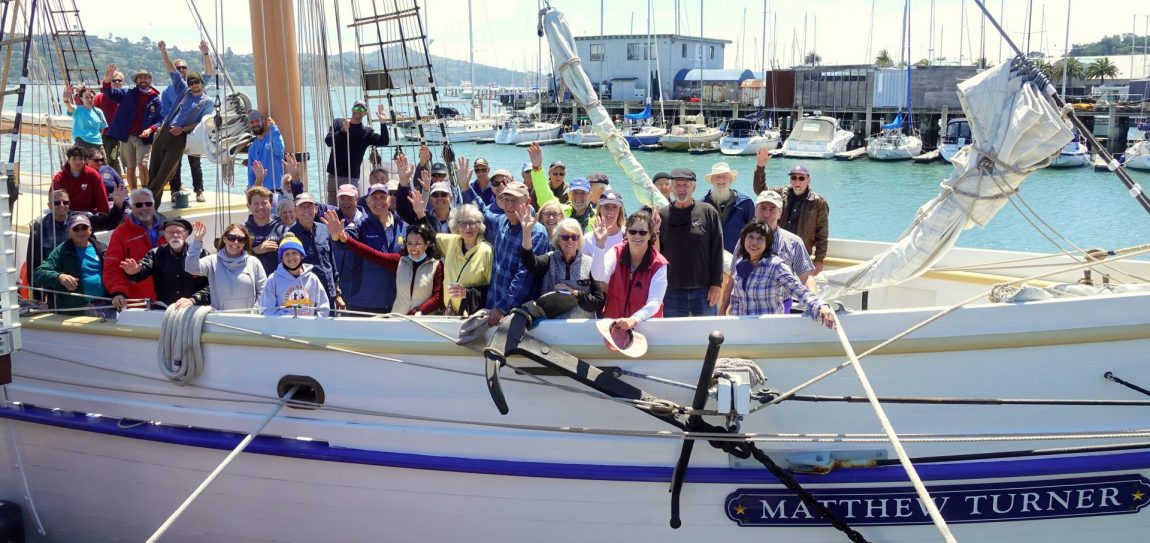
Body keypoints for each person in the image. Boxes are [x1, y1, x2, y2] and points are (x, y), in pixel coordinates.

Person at [326, 211, 444, 316]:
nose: (413, 248)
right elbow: (372, 254)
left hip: (425, 322)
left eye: (417, 243)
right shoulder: (400, 261)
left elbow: (438, 297)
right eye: (409, 243)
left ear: (427, 244)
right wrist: (346, 239)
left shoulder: (436, 266)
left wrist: (417, 311)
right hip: (398, 320)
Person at [722, 221, 835, 328]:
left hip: (770, 328)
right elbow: (736, 299)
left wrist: (821, 306)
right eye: (750, 237)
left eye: (760, 239)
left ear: (767, 243)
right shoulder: (740, 263)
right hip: (744, 329)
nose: (754, 242)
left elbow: (799, 290)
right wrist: (732, 323)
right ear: (743, 239)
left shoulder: (776, 266)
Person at [148, 40, 214, 206]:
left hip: (180, 137)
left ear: (202, 83)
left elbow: (201, 122)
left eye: (196, 82)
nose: (193, 85)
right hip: (164, 131)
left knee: (165, 172)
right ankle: (151, 203)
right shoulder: (183, 90)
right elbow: (170, 68)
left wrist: (206, 53)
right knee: (154, 168)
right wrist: (163, 51)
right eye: (191, 83)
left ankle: (146, 199)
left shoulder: (206, 102)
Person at [26, 187, 126, 296]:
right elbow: (33, 263)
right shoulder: (39, 226)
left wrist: (118, 205)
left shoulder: (82, 218)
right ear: (49, 206)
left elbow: (109, 223)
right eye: (57, 203)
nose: (62, 205)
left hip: (83, 278)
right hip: (56, 284)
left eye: (65, 202)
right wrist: (37, 295)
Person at [657, 167, 724, 317]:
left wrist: (716, 284)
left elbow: (717, 250)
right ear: (671, 188)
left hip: (704, 290)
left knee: (707, 333)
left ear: (694, 186)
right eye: (677, 185)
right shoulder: (662, 215)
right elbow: (657, 254)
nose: (681, 190)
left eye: (685, 185)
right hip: (671, 290)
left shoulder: (708, 212)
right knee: (673, 336)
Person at [753, 149, 830, 274]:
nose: (797, 181)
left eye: (801, 178)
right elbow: (761, 192)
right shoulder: (780, 193)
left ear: (808, 180)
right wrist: (760, 167)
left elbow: (822, 233)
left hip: (801, 255)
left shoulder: (818, 202)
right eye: (794, 177)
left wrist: (819, 259)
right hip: (776, 250)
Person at [483, 182, 549, 326]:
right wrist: (465, 188)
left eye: (515, 200)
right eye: (506, 200)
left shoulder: (536, 232)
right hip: (494, 302)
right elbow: (484, 212)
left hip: (517, 313)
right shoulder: (502, 222)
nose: (509, 205)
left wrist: (502, 308)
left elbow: (524, 277)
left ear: (528, 202)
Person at [591, 210, 668, 331]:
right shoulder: (615, 252)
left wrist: (633, 320)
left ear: (650, 235)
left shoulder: (659, 264)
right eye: (632, 231)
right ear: (626, 233)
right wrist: (600, 245)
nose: (637, 235)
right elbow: (598, 277)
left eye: (643, 232)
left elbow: (655, 302)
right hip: (614, 327)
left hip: (646, 328)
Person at [518, 216, 603, 320]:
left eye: (574, 237)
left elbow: (598, 302)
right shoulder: (550, 259)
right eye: (565, 237)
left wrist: (574, 293)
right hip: (552, 327)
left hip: (582, 328)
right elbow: (530, 262)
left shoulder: (590, 263)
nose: (570, 241)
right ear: (558, 240)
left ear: (579, 240)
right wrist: (526, 234)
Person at [119, 218, 210, 309]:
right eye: (170, 232)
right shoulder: (155, 254)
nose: (175, 235)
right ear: (165, 235)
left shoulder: (201, 253)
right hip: (165, 309)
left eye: (179, 232)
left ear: (186, 234)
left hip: (196, 308)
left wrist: (193, 300)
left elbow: (214, 284)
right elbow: (141, 272)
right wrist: (132, 272)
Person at [420, 203, 492, 315]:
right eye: (463, 223)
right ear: (456, 227)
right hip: (450, 312)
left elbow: (493, 288)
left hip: (473, 315)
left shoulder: (487, 250)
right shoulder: (451, 242)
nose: (468, 228)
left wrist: (466, 293)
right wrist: (420, 212)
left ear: (479, 226)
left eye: (472, 223)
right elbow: (430, 235)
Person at [102, 188, 167, 311]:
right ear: (131, 207)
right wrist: (118, 291)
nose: (144, 208)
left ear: (154, 205)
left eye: (148, 204)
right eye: (138, 205)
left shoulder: (169, 228)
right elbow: (112, 266)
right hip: (138, 301)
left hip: (169, 296)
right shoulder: (120, 233)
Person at [33, 214, 111, 315]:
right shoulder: (61, 252)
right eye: (76, 229)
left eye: (84, 227)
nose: (81, 231)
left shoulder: (103, 248)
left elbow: (115, 274)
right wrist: (59, 277)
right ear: (68, 232)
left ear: (90, 230)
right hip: (78, 310)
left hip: (107, 305)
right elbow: (38, 274)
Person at [102, 64, 162, 191]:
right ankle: (134, 192)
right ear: (136, 81)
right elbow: (109, 92)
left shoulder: (156, 99)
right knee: (130, 167)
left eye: (146, 77)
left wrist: (151, 129)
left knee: (143, 165)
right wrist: (107, 80)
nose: (143, 80)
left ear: (150, 81)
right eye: (140, 78)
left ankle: (145, 190)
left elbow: (160, 120)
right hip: (127, 136)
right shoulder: (127, 94)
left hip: (144, 137)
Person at [186, 221, 267, 311]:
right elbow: (191, 268)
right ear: (224, 239)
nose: (236, 242)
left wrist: (255, 312)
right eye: (232, 238)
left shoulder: (254, 262)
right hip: (220, 319)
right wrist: (197, 241)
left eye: (241, 239)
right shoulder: (212, 260)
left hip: (248, 319)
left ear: (245, 243)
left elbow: (263, 291)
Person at [323, 100, 389, 203]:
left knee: (350, 207)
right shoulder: (338, 123)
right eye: (357, 108)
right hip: (334, 176)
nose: (358, 110)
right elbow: (328, 141)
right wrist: (343, 131)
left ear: (365, 112)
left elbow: (384, 141)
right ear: (352, 109)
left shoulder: (366, 132)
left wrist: (383, 123)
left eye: (361, 109)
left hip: (352, 177)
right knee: (333, 208)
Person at [288, 193, 339, 310]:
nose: (306, 210)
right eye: (302, 207)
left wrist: (337, 291)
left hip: (329, 291)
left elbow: (331, 261)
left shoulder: (324, 229)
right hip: (306, 295)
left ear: (315, 209)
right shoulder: (290, 235)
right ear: (295, 212)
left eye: (309, 206)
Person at [258, 233, 329, 317]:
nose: (291, 257)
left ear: (301, 255)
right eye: (286, 254)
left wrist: (313, 323)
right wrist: (289, 319)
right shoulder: (273, 279)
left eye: (294, 253)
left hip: (309, 328)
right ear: (282, 258)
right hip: (282, 328)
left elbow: (323, 308)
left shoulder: (312, 278)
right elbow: (267, 310)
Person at [702, 161, 755, 253]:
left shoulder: (745, 203)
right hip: (710, 258)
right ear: (712, 180)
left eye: (724, 176)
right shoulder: (702, 204)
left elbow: (753, 232)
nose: (721, 180)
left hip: (738, 257)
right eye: (717, 176)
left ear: (730, 179)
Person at [51, 145, 109, 214]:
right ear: (69, 160)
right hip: (66, 212)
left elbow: (101, 197)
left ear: (85, 161)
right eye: (74, 159)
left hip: (88, 211)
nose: (77, 162)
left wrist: (103, 215)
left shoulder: (93, 175)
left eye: (81, 159)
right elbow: (53, 199)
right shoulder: (59, 177)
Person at [244, 186, 288, 275]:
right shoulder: (243, 232)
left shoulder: (283, 229)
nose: (260, 207)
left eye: (264, 203)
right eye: (256, 203)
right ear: (249, 206)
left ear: (272, 204)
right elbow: (235, 258)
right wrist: (255, 251)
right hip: (252, 282)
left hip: (278, 282)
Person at [584, 190, 626, 271]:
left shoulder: (628, 235)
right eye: (606, 206)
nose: (611, 211)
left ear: (620, 211)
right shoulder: (588, 238)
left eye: (615, 207)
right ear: (599, 209)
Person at [246, 111, 286, 195]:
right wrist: (250, 191)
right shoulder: (252, 148)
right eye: (252, 122)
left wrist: (273, 128)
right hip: (262, 192)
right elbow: (251, 173)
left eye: (257, 121)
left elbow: (280, 151)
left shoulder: (273, 137)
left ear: (263, 121)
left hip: (277, 190)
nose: (255, 124)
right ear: (250, 125)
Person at [94, 69, 125, 174]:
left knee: (112, 159)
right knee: (98, 160)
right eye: (114, 80)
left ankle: (119, 184)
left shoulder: (125, 98)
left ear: (123, 83)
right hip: (100, 134)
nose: (117, 82)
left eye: (119, 81)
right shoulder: (99, 97)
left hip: (115, 135)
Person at [62, 84, 108, 151]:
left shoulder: (99, 112)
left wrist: (97, 138)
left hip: (97, 144)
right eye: (86, 97)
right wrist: (66, 99)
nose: (89, 100)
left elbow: (102, 128)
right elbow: (69, 106)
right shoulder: (77, 110)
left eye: (91, 97)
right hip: (82, 143)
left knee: (103, 161)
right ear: (81, 98)